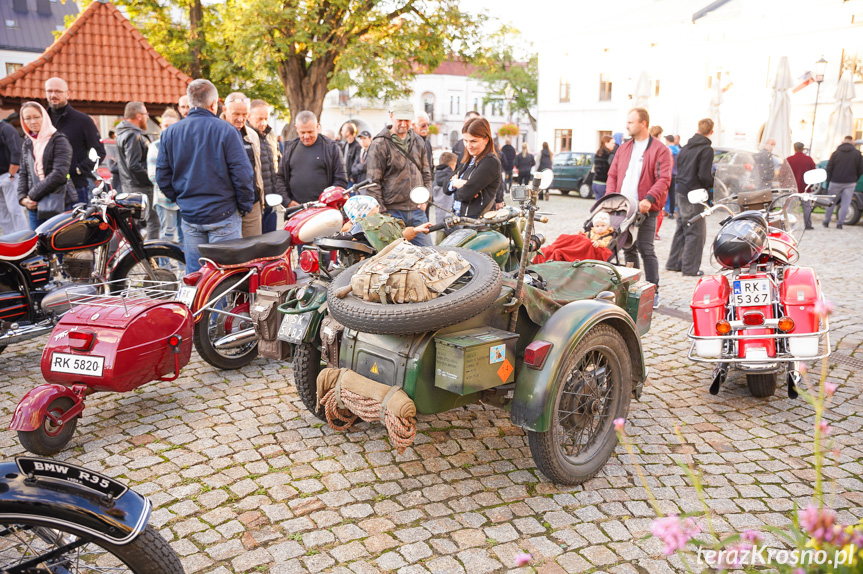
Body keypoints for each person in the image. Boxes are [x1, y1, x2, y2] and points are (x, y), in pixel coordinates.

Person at [155, 79, 255, 274]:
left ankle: (196, 306)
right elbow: (243, 175)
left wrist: (180, 199)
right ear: (214, 103)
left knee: (195, 275)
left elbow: (162, 176)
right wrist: (244, 205)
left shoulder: (170, 133)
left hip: (192, 215)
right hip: (224, 214)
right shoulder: (227, 131)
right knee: (223, 277)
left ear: (190, 103)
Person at [606, 107, 672, 302]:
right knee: (628, 248)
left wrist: (649, 199)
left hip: (646, 208)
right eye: (627, 122)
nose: (627, 125)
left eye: (631, 122)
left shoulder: (660, 150)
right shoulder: (624, 148)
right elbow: (613, 174)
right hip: (623, 207)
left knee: (646, 248)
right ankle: (631, 288)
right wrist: (611, 197)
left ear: (643, 123)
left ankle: (654, 292)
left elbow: (664, 179)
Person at [365, 100, 433, 246]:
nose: (403, 123)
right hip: (392, 212)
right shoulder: (379, 144)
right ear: (391, 116)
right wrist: (381, 215)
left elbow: (426, 173)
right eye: (400, 119)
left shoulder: (418, 141)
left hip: (417, 211)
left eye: (407, 120)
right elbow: (373, 183)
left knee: (429, 253)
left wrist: (426, 197)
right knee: (392, 257)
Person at [44, 77, 106, 205]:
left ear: (68, 94)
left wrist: (79, 169)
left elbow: (99, 152)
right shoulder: (41, 121)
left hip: (75, 187)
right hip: (45, 188)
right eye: (49, 91)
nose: (53, 95)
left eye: (58, 91)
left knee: (75, 225)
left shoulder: (83, 121)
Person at [666, 119, 715, 277]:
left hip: (681, 189)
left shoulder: (686, 147)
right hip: (694, 192)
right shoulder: (706, 149)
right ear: (711, 131)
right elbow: (704, 175)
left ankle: (673, 263)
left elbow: (679, 167)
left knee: (681, 226)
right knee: (695, 231)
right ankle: (690, 268)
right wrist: (711, 183)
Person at [16, 102, 74, 230]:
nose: (33, 122)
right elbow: (24, 172)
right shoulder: (28, 142)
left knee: (60, 246)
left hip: (59, 202)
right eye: (28, 118)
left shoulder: (59, 140)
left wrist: (32, 195)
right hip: (34, 206)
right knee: (37, 245)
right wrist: (22, 198)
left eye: (36, 117)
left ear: (45, 117)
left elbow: (59, 173)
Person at [278, 111, 347, 206]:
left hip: (324, 209)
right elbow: (280, 177)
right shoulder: (289, 148)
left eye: (310, 132)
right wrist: (287, 201)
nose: (306, 136)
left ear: (317, 127)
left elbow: (341, 179)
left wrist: (329, 201)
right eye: (302, 132)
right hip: (296, 209)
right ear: (296, 128)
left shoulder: (331, 147)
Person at [116, 101, 161, 239]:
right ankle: (153, 258)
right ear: (139, 116)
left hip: (129, 186)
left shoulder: (122, 132)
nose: (147, 117)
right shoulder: (133, 135)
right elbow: (133, 165)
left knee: (130, 226)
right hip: (141, 188)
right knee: (154, 223)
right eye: (146, 114)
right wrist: (152, 179)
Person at [224, 92, 264, 237]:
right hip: (227, 205)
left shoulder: (252, 135)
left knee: (254, 249)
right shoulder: (217, 133)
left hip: (252, 204)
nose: (241, 119)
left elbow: (257, 168)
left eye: (245, 114)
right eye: (236, 114)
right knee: (232, 252)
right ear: (224, 110)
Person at [445, 117, 501, 218]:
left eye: (473, 141)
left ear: (486, 140)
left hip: (475, 223)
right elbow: (445, 185)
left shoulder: (490, 162)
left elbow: (465, 194)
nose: (468, 145)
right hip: (458, 219)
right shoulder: (469, 159)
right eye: (465, 140)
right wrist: (455, 183)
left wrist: (456, 187)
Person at [248, 99, 285, 233]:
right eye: (259, 119)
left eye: (266, 118)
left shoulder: (271, 136)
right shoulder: (245, 137)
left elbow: (278, 164)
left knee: (270, 241)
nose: (263, 123)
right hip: (254, 203)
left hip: (272, 200)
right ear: (249, 116)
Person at [147, 109, 182, 242]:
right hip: (164, 198)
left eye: (171, 125)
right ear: (161, 126)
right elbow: (153, 175)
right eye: (165, 126)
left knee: (183, 234)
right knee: (167, 232)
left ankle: (182, 263)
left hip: (182, 198)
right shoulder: (155, 146)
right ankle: (164, 263)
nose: (168, 129)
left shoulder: (183, 145)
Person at [823, 136, 863, 229]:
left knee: (830, 201)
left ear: (842, 141)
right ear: (852, 142)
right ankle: (840, 223)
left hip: (835, 180)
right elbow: (861, 168)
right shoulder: (857, 154)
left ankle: (826, 221)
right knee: (846, 203)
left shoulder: (836, 153)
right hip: (850, 182)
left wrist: (829, 180)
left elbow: (829, 168)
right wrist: (855, 178)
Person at [0, 118, 27, 233]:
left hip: (9, 176)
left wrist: (11, 174)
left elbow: (16, 151)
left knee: (15, 210)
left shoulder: (6, 129)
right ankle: (10, 241)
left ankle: (23, 238)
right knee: (2, 213)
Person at [786, 141, 817, 229]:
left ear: (794, 148)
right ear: (803, 149)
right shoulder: (808, 159)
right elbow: (814, 172)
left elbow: (783, 173)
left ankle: (790, 224)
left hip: (792, 187)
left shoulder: (789, 159)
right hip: (805, 187)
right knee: (806, 207)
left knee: (790, 207)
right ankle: (808, 224)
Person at [431, 151, 457, 241]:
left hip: (439, 218)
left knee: (439, 243)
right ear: (452, 164)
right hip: (450, 217)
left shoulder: (436, 175)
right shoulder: (452, 177)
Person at [592, 135, 614, 200]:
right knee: (605, 206)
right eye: (612, 143)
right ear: (606, 143)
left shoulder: (598, 153)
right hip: (603, 184)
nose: (614, 145)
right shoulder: (609, 155)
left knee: (598, 206)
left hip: (595, 182)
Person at [663, 134, 680, 218]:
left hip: (668, 174)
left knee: (666, 193)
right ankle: (673, 212)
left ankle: (666, 210)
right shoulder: (679, 150)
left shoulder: (667, 149)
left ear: (667, 140)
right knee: (673, 194)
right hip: (676, 174)